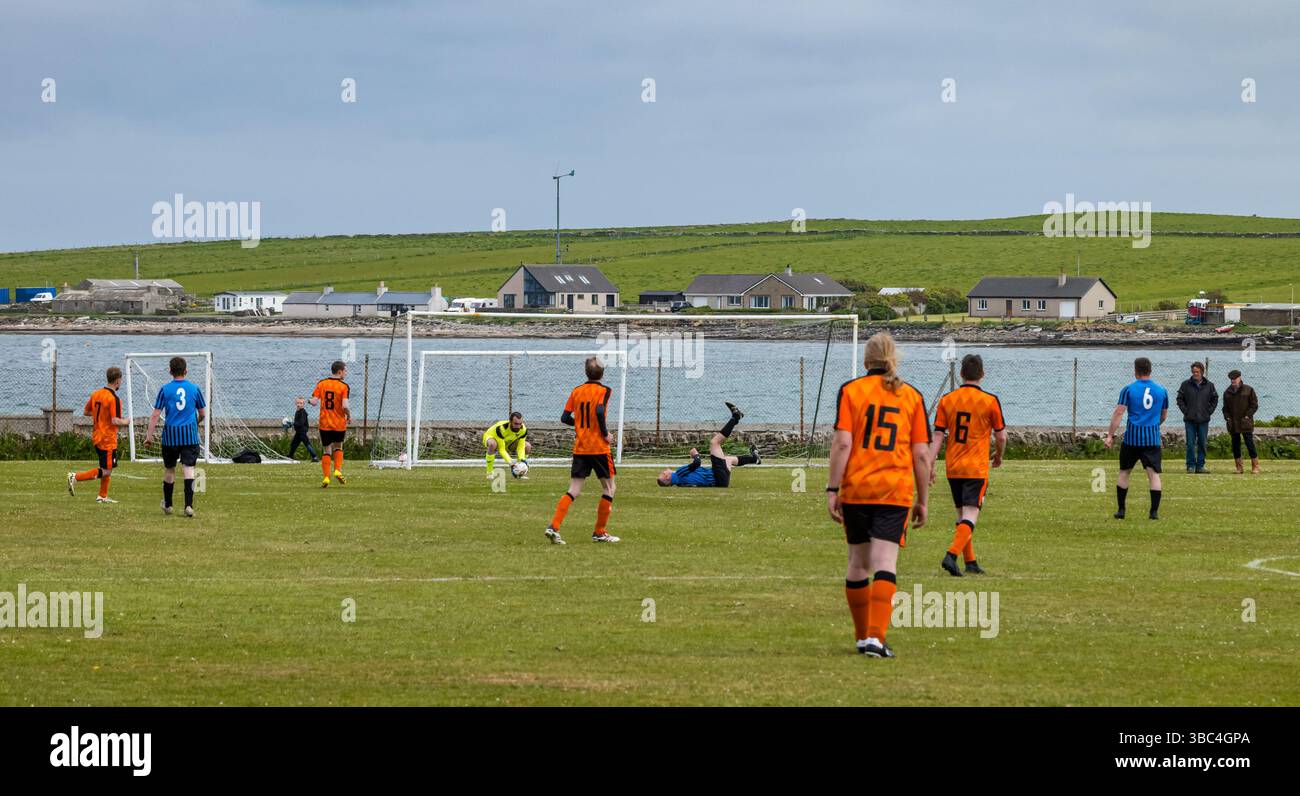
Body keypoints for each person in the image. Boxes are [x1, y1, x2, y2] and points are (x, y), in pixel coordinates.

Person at [827, 332, 930, 659]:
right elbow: (922, 455)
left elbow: (843, 443)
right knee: (885, 563)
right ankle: (876, 638)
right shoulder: (911, 395)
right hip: (894, 489)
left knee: (858, 563)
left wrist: (833, 488)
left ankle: (861, 637)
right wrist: (923, 499)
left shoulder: (851, 390)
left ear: (866, 360)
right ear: (893, 358)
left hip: (857, 488)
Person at [928, 354, 1006, 577]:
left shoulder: (946, 400)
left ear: (961, 374)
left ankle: (970, 561)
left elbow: (938, 436)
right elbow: (1001, 436)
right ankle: (951, 555)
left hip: (953, 466)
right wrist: (999, 456)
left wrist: (931, 463)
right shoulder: (990, 401)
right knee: (971, 514)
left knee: (961, 514)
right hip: (976, 466)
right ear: (982, 374)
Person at [545, 357, 618, 544]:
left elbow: (564, 418)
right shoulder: (605, 391)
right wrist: (605, 433)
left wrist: (578, 424)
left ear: (586, 372)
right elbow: (600, 411)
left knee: (574, 489)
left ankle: (554, 526)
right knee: (610, 487)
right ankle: (599, 532)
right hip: (599, 448)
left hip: (581, 448)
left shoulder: (576, 391)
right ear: (602, 373)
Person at [1105, 357, 1168, 520]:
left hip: (1132, 439)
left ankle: (1121, 510)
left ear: (1135, 371)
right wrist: (1154, 425)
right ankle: (1153, 512)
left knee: (1124, 472)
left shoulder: (1128, 389)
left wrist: (1110, 435)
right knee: (1153, 475)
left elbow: (1119, 412)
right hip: (1152, 439)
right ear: (1150, 370)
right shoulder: (1162, 390)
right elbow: (1163, 415)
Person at [143, 356, 207, 517]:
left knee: (170, 469)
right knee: (189, 469)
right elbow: (202, 413)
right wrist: (196, 422)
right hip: (189, 436)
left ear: (170, 371)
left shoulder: (165, 389)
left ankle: (169, 505)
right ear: (186, 371)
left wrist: (149, 436)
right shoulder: (195, 388)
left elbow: (155, 414)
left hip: (170, 436)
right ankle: (188, 506)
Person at [657, 402, 760, 487]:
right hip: (717, 477)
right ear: (667, 477)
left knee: (728, 459)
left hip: (721, 482)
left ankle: (755, 459)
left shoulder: (680, 483)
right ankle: (735, 417)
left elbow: (696, 478)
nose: (665, 470)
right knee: (714, 443)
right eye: (663, 473)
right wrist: (695, 454)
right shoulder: (678, 474)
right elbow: (697, 463)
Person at [67, 366, 130, 504]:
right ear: (118, 381)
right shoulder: (114, 398)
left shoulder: (96, 394)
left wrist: (101, 416)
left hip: (97, 435)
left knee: (108, 468)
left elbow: (87, 411)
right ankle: (76, 477)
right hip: (107, 438)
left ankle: (102, 496)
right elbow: (115, 420)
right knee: (106, 471)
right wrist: (127, 421)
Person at [309, 361, 351, 488]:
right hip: (338, 423)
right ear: (339, 372)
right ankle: (337, 470)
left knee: (326, 450)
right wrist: (348, 415)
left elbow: (314, 402)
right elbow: (344, 405)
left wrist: (308, 401)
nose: (346, 373)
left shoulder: (321, 384)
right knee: (338, 447)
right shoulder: (344, 386)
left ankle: (326, 477)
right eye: (345, 371)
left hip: (324, 423)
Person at [1175, 361, 1218, 474]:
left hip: (1204, 420)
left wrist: (1209, 412)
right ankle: (1190, 465)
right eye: (1193, 371)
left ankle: (1200, 466)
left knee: (1202, 443)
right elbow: (1179, 399)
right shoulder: (1185, 384)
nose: (1195, 374)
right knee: (1190, 443)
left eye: (1197, 372)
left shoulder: (1210, 385)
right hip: (1190, 420)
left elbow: (1215, 399)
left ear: (1202, 372)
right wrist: (1186, 411)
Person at [1222, 369, 1261, 474]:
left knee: (1249, 443)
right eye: (1231, 379)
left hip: (1245, 422)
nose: (1233, 380)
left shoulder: (1249, 390)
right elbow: (1225, 408)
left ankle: (1255, 466)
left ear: (1240, 378)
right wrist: (1227, 417)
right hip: (1233, 423)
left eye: (1235, 378)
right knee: (1235, 445)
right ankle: (1239, 468)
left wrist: (1248, 415)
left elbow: (1254, 405)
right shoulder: (1227, 392)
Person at [483, 412, 531, 478]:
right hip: (493, 438)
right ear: (510, 421)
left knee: (527, 446)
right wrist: (511, 463)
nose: (518, 426)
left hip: (508, 443)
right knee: (492, 444)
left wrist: (523, 460)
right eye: (516, 424)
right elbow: (501, 449)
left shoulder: (523, 430)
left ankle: (520, 471)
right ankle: (489, 473)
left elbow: (521, 447)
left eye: (520, 424)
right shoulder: (501, 428)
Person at [288, 397, 318, 463]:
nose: (299, 404)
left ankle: (315, 457)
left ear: (303, 404)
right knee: (294, 444)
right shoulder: (297, 411)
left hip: (302, 431)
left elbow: (301, 423)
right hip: (298, 431)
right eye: (298, 403)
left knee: (307, 444)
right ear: (295, 403)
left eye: (301, 403)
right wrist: (292, 424)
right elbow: (297, 422)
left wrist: (293, 423)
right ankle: (290, 456)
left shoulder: (302, 412)